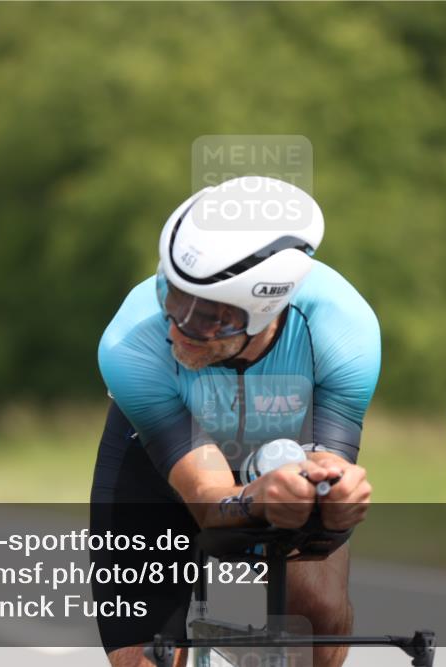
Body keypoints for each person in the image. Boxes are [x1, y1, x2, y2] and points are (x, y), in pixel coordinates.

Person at [91, 176, 381, 667]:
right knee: (142, 657)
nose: (178, 329)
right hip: (160, 469)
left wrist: (339, 498)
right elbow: (209, 504)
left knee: (319, 613)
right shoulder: (130, 342)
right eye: (174, 295)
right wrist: (255, 498)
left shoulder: (344, 329)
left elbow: (328, 473)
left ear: (265, 311)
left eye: (208, 318)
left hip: (287, 448)